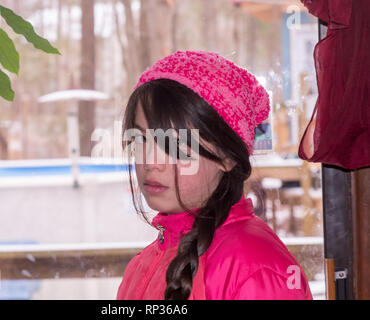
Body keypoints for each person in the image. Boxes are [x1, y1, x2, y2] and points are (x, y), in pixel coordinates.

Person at [117, 50, 313, 300]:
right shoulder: (142, 265)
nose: (150, 162)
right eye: (142, 139)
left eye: (175, 145)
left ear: (227, 157)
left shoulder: (257, 271)